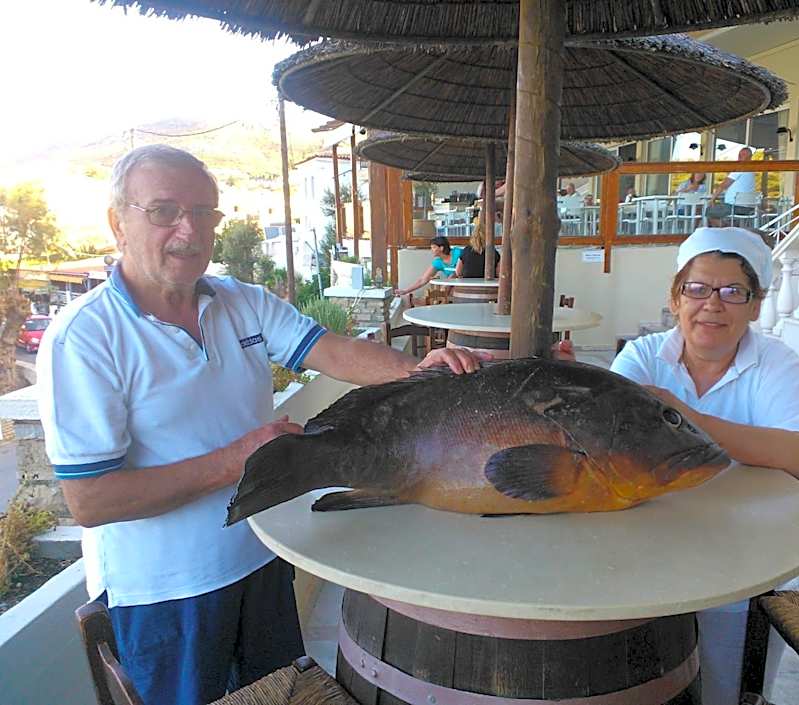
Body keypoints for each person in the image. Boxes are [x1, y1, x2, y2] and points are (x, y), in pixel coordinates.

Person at [36, 145, 485, 705]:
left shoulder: (237, 300)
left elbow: (330, 350)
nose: (189, 230)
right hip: (166, 594)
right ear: (116, 223)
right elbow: (91, 500)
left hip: (262, 557)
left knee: (280, 695)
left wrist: (417, 370)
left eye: (205, 213)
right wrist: (238, 459)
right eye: (164, 211)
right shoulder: (85, 336)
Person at [610, 226, 799, 705]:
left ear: (755, 303)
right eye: (698, 288)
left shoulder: (775, 363)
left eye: (732, 292)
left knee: (726, 687)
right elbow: (611, 439)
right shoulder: (643, 356)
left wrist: (684, 417)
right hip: (646, 543)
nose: (713, 304)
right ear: (676, 297)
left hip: (745, 553)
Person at [394, 235, 464, 297]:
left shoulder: (458, 252)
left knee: (450, 279)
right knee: (443, 290)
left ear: (441, 248)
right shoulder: (438, 262)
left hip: (466, 282)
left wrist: (452, 277)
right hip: (452, 286)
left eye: (433, 247)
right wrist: (405, 291)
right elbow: (423, 280)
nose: (431, 250)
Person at [709, 147, 758, 225]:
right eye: (739, 154)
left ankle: (727, 230)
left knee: (709, 211)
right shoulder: (752, 171)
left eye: (743, 155)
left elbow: (723, 185)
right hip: (749, 207)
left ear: (750, 157)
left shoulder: (740, 168)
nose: (740, 157)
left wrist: (712, 198)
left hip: (734, 207)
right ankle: (731, 228)